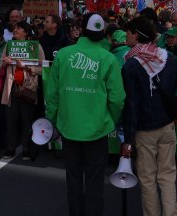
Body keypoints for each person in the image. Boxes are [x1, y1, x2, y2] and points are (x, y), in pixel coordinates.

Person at [45, 13, 125, 216]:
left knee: (73, 180)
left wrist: (53, 120)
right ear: (104, 34)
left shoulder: (63, 55)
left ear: (81, 30)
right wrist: (110, 121)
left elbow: (52, 95)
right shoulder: (108, 59)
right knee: (95, 181)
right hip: (97, 131)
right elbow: (117, 99)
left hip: (69, 128)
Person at [121, 16, 177, 213]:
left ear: (136, 36)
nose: (125, 37)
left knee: (147, 179)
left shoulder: (130, 66)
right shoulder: (166, 57)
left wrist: (127, 139)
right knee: (168, 176)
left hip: (144, 130)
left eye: (128, 33)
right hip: (167, 124)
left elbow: (130, 104)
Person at [1, 21, 45, 160]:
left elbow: (43, 68)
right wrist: (4, 63)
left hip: (27, 87)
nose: (15, 30)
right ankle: (10, 148)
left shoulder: (34, 46)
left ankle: (26, 149)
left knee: (27, 120)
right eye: (15, 28)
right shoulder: (9, 46)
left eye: (19, 28)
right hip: (11, 87)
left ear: (26, 32)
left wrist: (27, 67)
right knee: (10, 120)